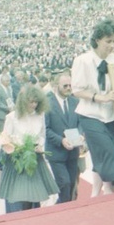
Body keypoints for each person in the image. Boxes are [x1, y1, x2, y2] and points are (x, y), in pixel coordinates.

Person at [71, 19, 114, 195]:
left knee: (104, 155)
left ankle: (97, 191)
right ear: (97, 40)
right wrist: (100, 98)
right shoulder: (83, 60)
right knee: (108, 152)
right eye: (108, 41)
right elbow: (77, 90)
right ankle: (109, 190)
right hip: (90, 116)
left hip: (111, 116)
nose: (112, 45)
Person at [0, 84, 59, 213]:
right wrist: (16, 148)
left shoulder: (40, 115)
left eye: (36, 102)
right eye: (31, 102)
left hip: (34, 159)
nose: (33, 105)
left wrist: (39, 146)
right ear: (23, 101)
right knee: (18, 198)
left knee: (34, 197)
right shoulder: (12, 117)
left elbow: (42, 135)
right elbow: (5, 139)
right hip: (17, 160)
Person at [45, 71, 82, 204]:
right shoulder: (47, 103)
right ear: (56, 86)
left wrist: (81, 135)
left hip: (73, 152)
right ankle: (62, 209)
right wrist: (61, 140)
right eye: (65, 86)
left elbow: (80, 122)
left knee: (72, 184)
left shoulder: (75, 101)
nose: (68, 88)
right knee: (64, 183)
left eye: (70, 85)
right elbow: (45, 129)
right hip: (56, 152)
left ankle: (64, 208)